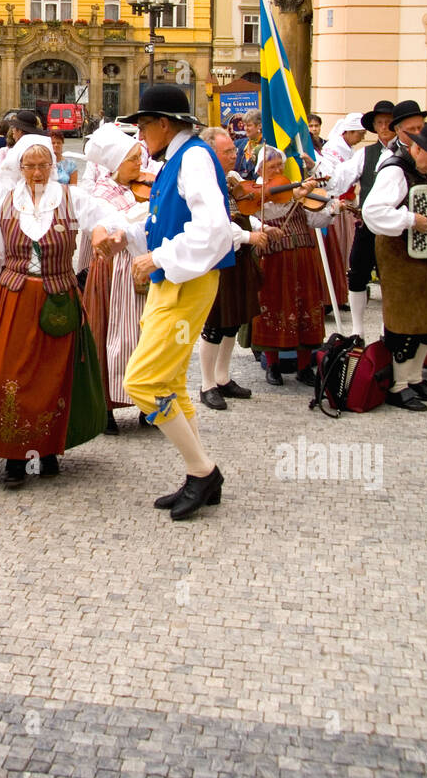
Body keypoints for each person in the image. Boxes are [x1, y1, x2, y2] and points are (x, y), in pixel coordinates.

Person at [0, 135, 120, 487]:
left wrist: (104, 232)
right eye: (30, 165)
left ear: (52, 166)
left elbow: (115, 219)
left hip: (59, 298)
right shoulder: (7, 204)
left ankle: (47, 449)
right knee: (7, 375)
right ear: (19, 168)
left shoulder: (73, 199)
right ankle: (14, 456)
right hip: (15, 300)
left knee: (52, 376)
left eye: (44, 165)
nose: (38, 172)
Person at [115, 86, 234, 520]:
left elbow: (214, 230)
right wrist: (127, 237)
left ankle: (203, 471)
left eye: (143, 127)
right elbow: (164, 222)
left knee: (144, 382)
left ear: (164, 124)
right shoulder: (181, 158)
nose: (141, 136)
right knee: (168, 382)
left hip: (187, 280)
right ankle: (198, 471)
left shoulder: (194, 158)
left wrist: (158, 257)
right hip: (177, 280)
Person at [363, 121, 427, 410]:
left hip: (415, 250)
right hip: (394, 248)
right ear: (416, 147)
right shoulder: (395, 169)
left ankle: (414, 377)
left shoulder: (422, 169)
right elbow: (373, 212)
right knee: (404, 315)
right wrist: (409, 219)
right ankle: (398, 384)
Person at [251, 147, 341, 388]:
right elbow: (252, 217)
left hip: (303, 259)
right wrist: (292, 196)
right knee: (274, 308)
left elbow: (315, 220)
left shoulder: (293, 188)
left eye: (280, 165)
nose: (279, 170)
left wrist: (330, 210)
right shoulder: (257, 193)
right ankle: (273, 365)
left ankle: (304, 367)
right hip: (274, 261)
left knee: (306, 309)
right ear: (261, 169)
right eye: (272, 166)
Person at [80, 124, 148, 434]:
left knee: (146, 335)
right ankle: (105, 405)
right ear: (116, 163)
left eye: (139, 157)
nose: (140, 165)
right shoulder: (100, 193)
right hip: (111, 271)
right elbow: (105, 227)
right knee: (107, 333)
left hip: (141, 269)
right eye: (133, 159)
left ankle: (149, 404)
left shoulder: (144, 186)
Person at [197, 127, 267, 410]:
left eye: (233, 150)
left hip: (238, 257)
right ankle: (206, 384)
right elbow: (217, 226)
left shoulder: (232, 179)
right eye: (227, 152)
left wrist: (261, 227)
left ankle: (223, 377)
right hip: (217, 258)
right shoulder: (203, 183)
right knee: (214, 323)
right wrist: (250, 237)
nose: (234, 155)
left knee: (232, 321)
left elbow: (244, 212)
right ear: (210, 153)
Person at [316, 99, 397, 340]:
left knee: (391, 278)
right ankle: (358, 330)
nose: (384, 127)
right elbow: (339, 179)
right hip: (369, 223)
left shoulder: (407, 151)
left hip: (395, 225)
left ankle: (389, 328)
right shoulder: (365, 154)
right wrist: (316, 171)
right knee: (358, 273)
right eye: (379, 123)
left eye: (388, 123)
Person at [233, 108, 264, 178]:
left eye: (249, 125)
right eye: (245, 125)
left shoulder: (267, 146)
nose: (245, 128)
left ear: (259, 126)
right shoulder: (238, 144)